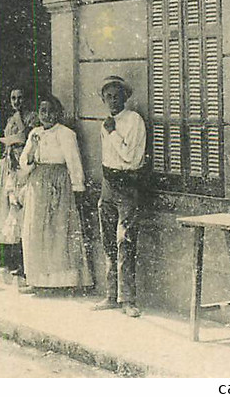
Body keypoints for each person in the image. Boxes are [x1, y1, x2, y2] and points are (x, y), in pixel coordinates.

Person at [19, 95, 92, 291]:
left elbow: (73, 161)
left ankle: (60, 282)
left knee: (57, 231)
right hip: (37, 184)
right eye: (43, 111)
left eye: (51, 111)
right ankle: (37, 280)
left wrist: (78, 187)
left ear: (58, 113)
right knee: (35, 231)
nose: (47, 115)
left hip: (58, 185)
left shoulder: (66, 134)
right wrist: (33, 147)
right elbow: (24, 164)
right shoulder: (34, 133)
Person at [94, 75, 146, 319]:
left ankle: (128, 299)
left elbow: (130, 158)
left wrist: (113, 133)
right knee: (107, 241)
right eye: (108, 97)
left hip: (127, 185)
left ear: (125, 97)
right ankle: (111, 295)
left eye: (116, 96)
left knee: (125, 240)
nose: (112, 101)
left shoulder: (134, 121)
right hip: (108, 185)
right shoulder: (106, 123)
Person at [0, 132, 28, 277]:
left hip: (26, 200)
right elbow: (9, 185)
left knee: (26, 234)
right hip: (16, 203)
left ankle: (26, 266)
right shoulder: (13, 170)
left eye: (20, 150)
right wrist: (13, 198)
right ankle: (19, 264)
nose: (18, 154)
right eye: (15, 151)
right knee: (16, 234)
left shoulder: (28, 168)